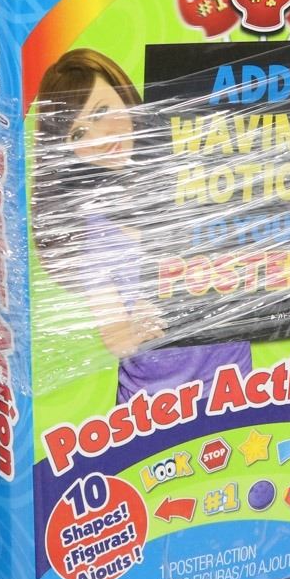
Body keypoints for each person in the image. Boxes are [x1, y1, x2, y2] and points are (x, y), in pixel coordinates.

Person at [32, 48, 251, 403]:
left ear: (123, 95)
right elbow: (116, 335)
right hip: (155, 399)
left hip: (232, 377)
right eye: (78, 134)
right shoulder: (93, 233)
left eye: (101, 111)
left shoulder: (194, 169)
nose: (100, 138)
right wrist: (136, 327)